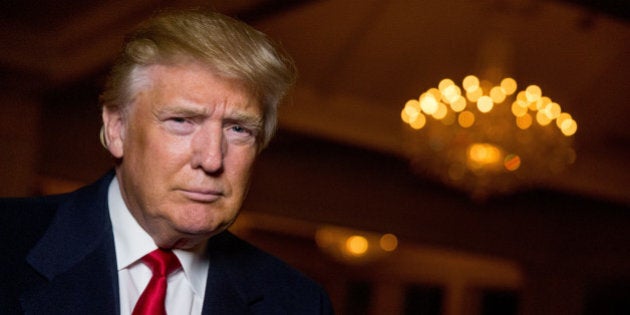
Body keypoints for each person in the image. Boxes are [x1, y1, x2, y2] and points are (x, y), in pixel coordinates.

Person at [0, 8, 333, 314]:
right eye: (181, 121)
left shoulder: (298, 303)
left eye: (238, 128)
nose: (212, 159)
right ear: (117, 129)